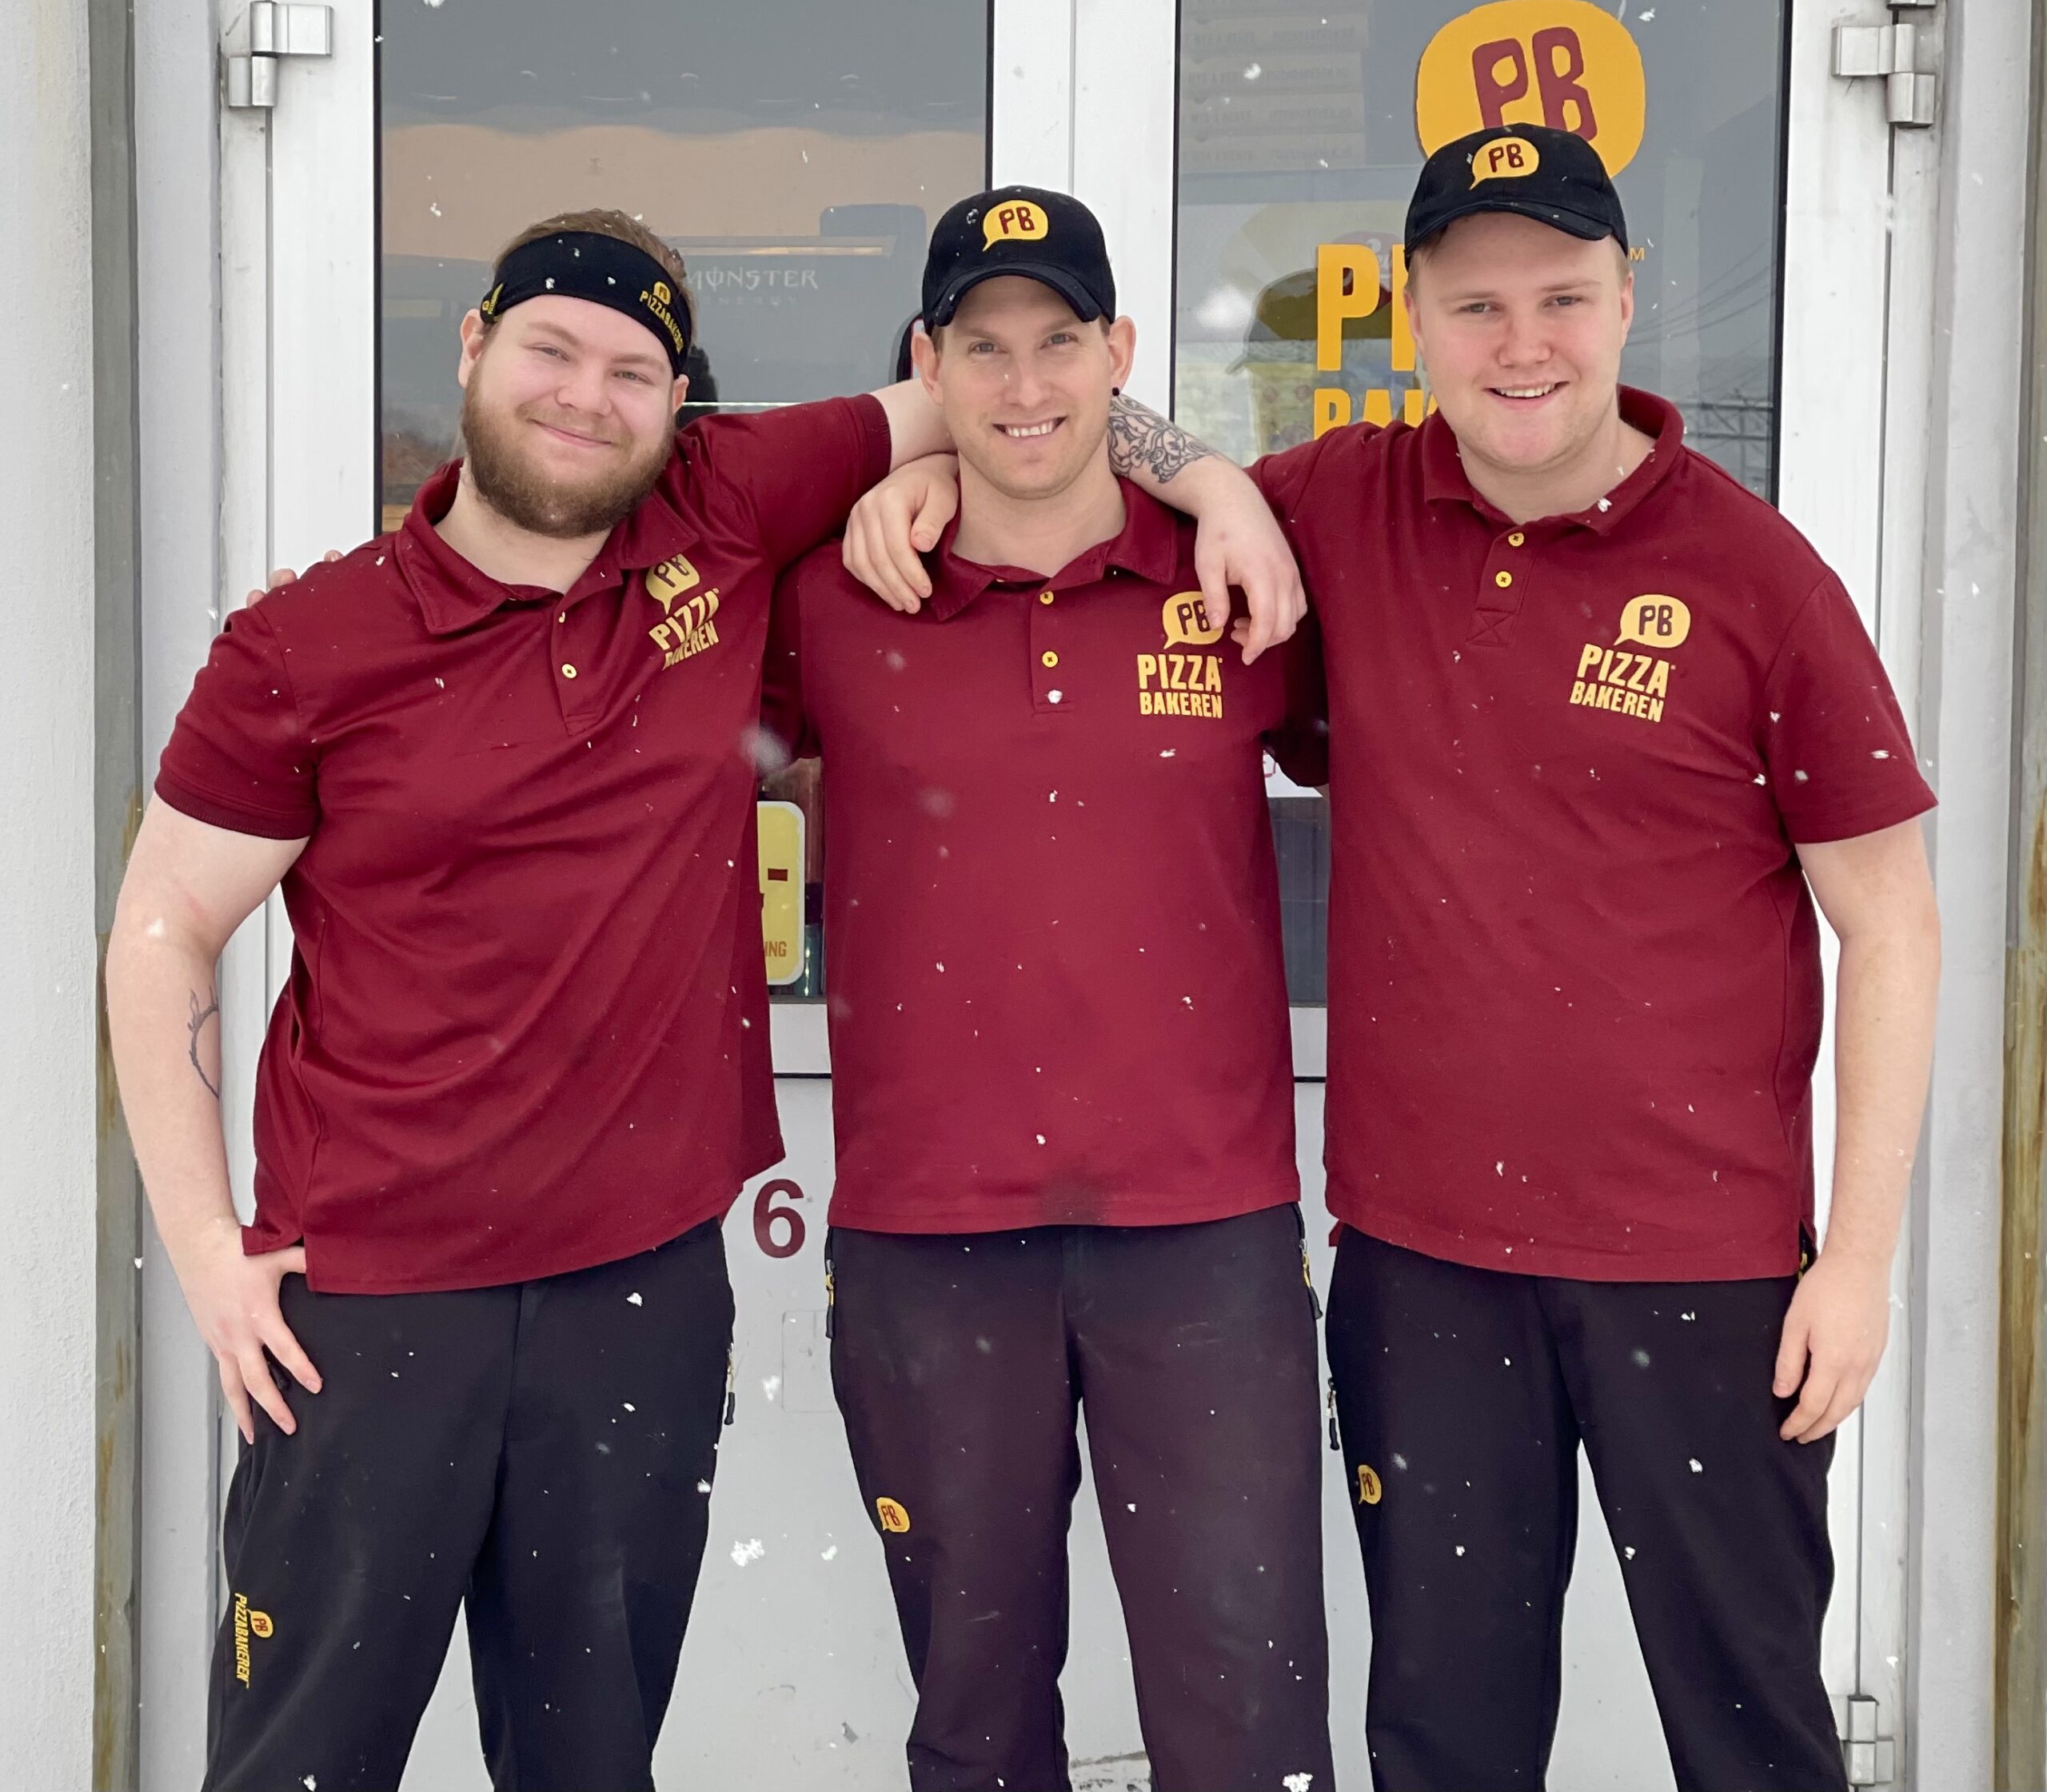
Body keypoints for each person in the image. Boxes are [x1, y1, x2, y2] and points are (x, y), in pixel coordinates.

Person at [106, 204, 1299, 1792]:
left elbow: (1010, 405)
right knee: (301, 1761)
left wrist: (1212, 479)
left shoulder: (722, 518)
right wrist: (203, 1248)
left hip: (637, 1294)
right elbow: (164, 928)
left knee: (595, 1762)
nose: (584, 396)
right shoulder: (305, 641)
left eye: (631, 371)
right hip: (370, 1293)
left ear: (680, 402)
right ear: (474, 348)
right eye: (551, 350)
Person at [846, 128, 1942, 1792]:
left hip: (1705, 1266)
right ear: (1414, 317)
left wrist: (1853, 1263)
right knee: (1441, 1735)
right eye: (1477, 304)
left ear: (1626, 300)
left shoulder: (1754, 577)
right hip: (1422, 1266)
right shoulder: (1337, 511)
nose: (1523, 344)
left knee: (1752, 1731)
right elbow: (1077, 435)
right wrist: (976, 459)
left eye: (1561, 297)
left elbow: (1892, 921)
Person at [761, 186, 1336, 1792]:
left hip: (1202, 1231)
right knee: (976, 1716)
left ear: (1120, 353)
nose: (1025, 386)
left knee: (1245, 1715)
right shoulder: (831, 601)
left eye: (1060, 341)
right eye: (983, 348)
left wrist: (1213, 476)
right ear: (925, 365)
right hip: (928, 1237)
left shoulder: (1236, 582)